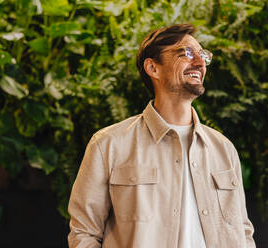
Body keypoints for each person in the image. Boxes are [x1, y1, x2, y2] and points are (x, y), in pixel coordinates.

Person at [68, 24, 256, 248]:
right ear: (153, 68)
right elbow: (83, 233)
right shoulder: (108, 145)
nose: (199, 62)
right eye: (186, 53)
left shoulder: (223, 149)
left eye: (203, 55)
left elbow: (243, 232)